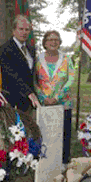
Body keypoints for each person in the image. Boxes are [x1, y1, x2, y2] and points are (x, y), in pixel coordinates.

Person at [34, 30, 75, 164]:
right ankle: (46, 162)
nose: (53, 42)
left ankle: (64, 162)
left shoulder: (66, 59)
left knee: (64, 134)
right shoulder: (38, 59)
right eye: (50, 39)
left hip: (63, 104)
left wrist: (57, 97)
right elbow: (34, 81)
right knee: (46, 134)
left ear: (60, 42)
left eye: (56, 39)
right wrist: (42, 97)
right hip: (45, 104)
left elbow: (71, 79)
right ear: (45, 43)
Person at [0, 15, 41, 113]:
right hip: (13, 99)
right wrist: (28, 93)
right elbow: (11, 75)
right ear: (13, 31)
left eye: (27, 29)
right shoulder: (5, 49)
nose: (24, 32)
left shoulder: (31, 49)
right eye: (21, 29)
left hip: (29, 101)